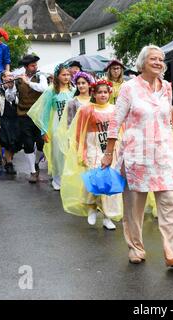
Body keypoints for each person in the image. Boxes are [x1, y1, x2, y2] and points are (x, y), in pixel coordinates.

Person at [102, 45, 173, 267]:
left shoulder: (167, 88)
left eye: (161, 59)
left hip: (163, 154)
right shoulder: (129, 88)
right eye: (153, 59)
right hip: (136, 156)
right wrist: (109, 153)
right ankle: (135, 248)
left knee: (170, 203)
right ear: (142, 62)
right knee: (134, 207)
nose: (159, 63)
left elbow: (167, 119)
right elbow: (115, 121)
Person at [61, 80, 122, 229]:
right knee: (95, 179)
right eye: (100, 92)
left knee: (108, 182)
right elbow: (79, 132)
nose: (103, 95)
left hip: (110, 148)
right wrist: (81, 150)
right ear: (94, 93)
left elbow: (120, 130)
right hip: (93, 147)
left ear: (110, 93)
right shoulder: (86, 110)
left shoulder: (115, 109)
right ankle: (92, 207)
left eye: (105, 92)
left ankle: (108, 216)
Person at [27, 63, 76, 191]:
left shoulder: (73, 90)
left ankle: (69, 179)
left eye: (68, 75)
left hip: (70, 126)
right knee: (57, 153)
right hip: (56, 125)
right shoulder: (51, 91)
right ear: (57, 76)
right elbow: (44, 111)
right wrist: (43, 130)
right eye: (63, 74)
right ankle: (57, 179)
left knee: (69, 153)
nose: (66, 77)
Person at [5, 54, 48, 183]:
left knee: (41, 144)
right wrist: (11, 86)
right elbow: (10, 98)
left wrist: (28, 82)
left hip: (40, 115)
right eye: (32, 65)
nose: (35, 67)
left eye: (36, 65)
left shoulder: (41, 77)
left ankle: (35, 163)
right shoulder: (18, 80)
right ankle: (33, 172)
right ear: (26, 67)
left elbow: (44, 89)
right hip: (24, 115)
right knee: (28, 143)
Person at [0, 70, 20, 174]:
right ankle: (9, 163)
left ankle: (7, 158)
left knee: (16, 142)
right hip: (3, 118)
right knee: (7, 141)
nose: (10, 78)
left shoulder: (16, 88)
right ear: (3, 78)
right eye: (8, 76)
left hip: (15, 118)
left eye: (11, 75)